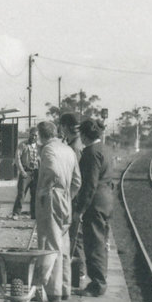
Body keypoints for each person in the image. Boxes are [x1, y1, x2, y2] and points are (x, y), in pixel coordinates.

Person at [36, 120, 81, 301]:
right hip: (66, 199)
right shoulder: (68, 150)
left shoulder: (48, 149)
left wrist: (43, 192)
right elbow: (78, 181)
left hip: (51, 197)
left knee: (50, 243)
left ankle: (52, 290)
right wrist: (68, 196)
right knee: (64, 243)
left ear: (41, 134)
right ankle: (64, 287)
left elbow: (53, 170)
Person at [76, 119, 114, 296]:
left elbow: (89, 184)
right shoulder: (105, 149)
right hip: (106, 198)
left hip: (95, 201)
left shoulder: (91, 152)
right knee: (101, 241)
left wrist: (81, 209)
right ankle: (100, 280)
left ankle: (98, 285)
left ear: (84, 134)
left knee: (94, 243)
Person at [59, 112, 85, 287]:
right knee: (75, 235)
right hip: (76, 196)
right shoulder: (74, 143)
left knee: (75, 235)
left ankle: (78, 274)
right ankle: (77, 273)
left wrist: (68, 199)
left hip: (74, 197)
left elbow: (76, 177)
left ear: (65, 127)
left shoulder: (74, 147)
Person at [12, 128, 39, 219]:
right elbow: (17, 158)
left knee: (35, 194)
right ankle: (16, 213)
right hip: (26, 171)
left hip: (36, 172)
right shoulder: (23, 145)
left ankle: (34, 214)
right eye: (32, 134)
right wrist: (22, 171)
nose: (34, 137)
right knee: (21, 193)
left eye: (36, 135)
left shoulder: (39, 146)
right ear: (29, 134)